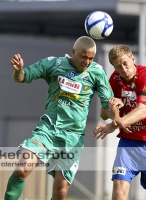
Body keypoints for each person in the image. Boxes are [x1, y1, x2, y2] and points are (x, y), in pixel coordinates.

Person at [4, 36, 125, 200]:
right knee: (21, 169)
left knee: (60, 192)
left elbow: (108, 105)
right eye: (84, 56)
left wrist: (116, 118)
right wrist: (18, 71)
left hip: (72, 137)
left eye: (91, 58)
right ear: (73, 52)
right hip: (48, 129)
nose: (87, 62)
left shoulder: (97, 72)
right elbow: (23, 77)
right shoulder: (54, 63)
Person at [94, 45, 146, 200]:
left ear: (132, 59)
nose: (123, 69)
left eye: (125, 63)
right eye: (117, 66)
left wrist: (114, 125)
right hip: (128, 144)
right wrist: (111, 107)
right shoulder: (114, 79)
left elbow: (142, 111)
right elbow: (104, 114)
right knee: (118, 192)